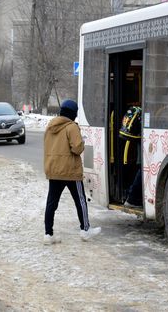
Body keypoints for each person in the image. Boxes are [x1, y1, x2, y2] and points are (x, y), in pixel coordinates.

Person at [43, 99, 101, 244]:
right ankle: (85, 230)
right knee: (80, 200)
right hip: (70, 171)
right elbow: (77, 148)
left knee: (51, 202)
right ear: (73, 114)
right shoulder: (71, 127)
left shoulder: (50, 127)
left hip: (54, 169)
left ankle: (48, 234)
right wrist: (81, 140)